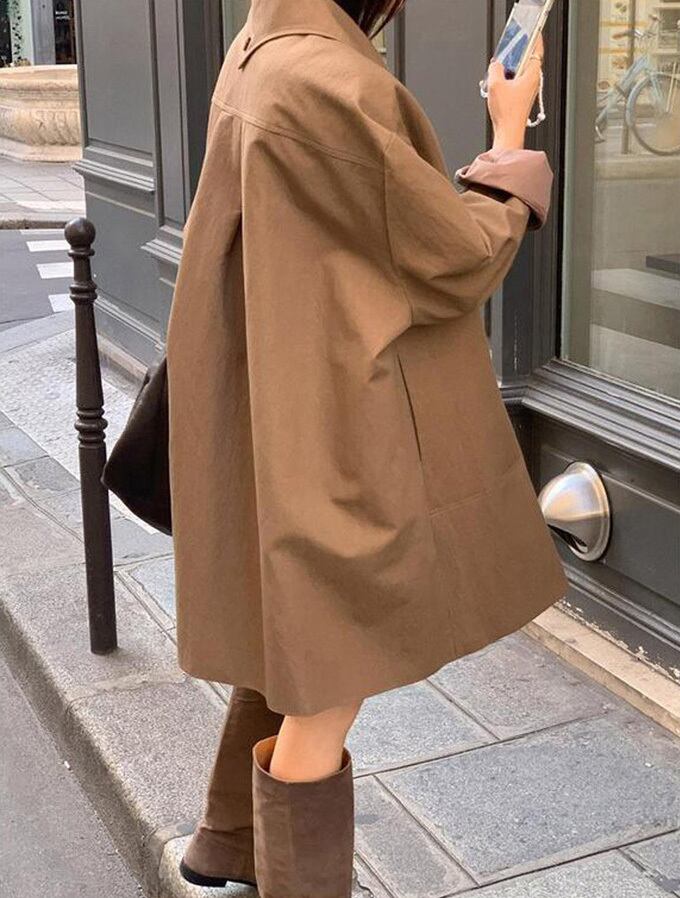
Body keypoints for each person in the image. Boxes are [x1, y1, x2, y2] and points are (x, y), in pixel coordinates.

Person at [165, 1, 568, 895]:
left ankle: (227, 837)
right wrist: (510, 136)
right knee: (333, 671)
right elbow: (456, 255)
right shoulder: (333, 85)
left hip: (277, 394)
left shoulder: (260, 46)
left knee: (299, 629)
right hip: (336, 415)